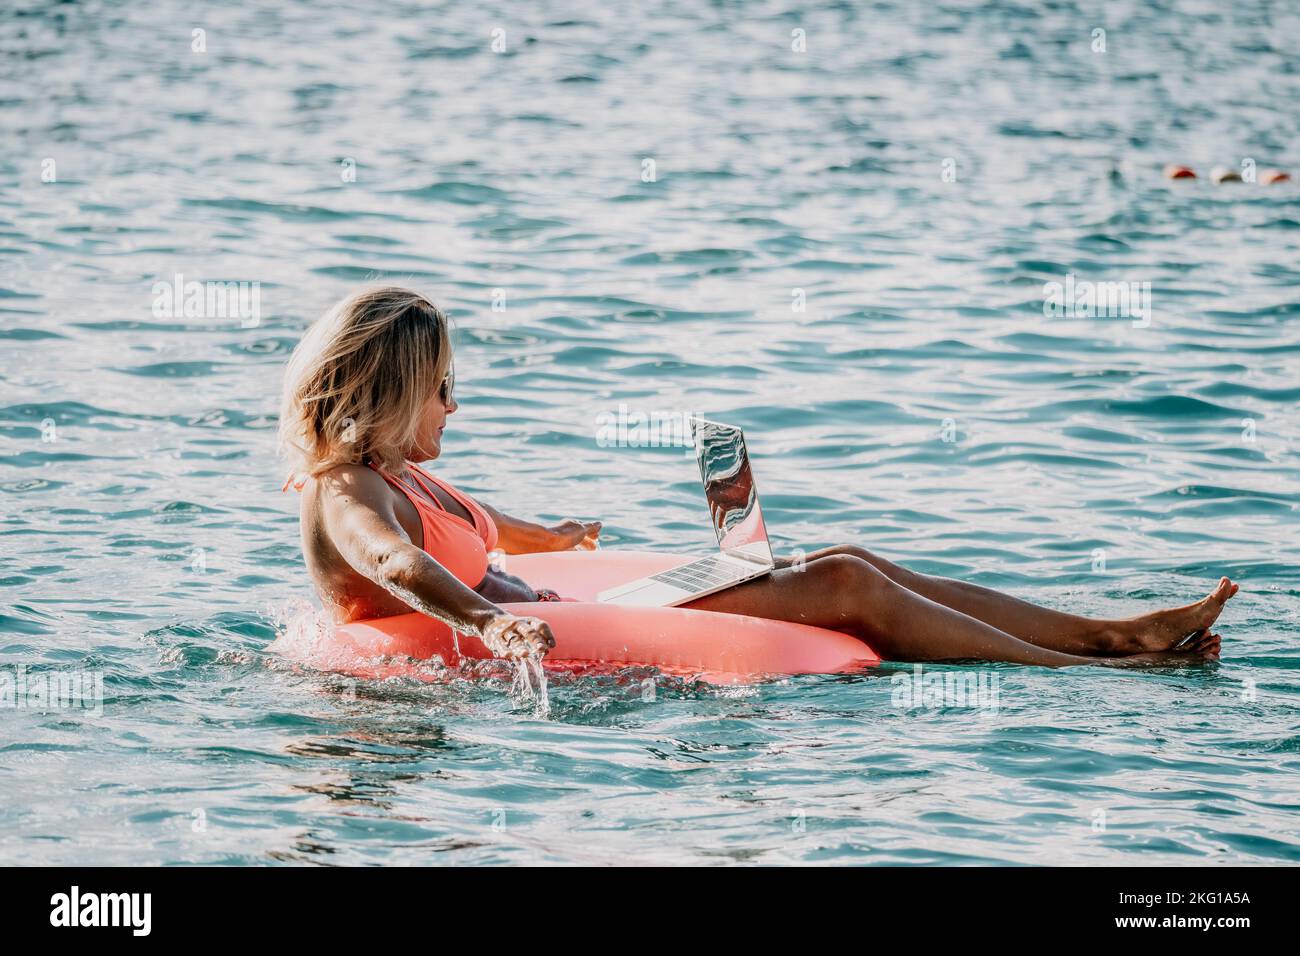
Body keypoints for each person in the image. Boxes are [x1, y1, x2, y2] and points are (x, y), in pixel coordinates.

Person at [279, 287, 1234, 667]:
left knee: (844, 554)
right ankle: (1097, 668)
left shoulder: (406, 472)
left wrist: (562, 538)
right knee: (848, 587)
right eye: (443, 386)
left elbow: (490, 527)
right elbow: (398, 567)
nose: (457, 404)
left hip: (556, 596)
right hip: (524, 631)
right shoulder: (347, 493)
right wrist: (489, 619)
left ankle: (1109, 630)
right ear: (396, 390)